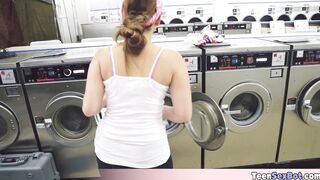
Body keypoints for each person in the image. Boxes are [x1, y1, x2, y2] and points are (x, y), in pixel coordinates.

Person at [82, 0, 192, 169]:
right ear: (158, 19)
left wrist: (115, 98)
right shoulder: (172, 59)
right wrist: (153, 108)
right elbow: (183, 115)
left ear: (123, 14)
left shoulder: (102, 56)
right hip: (151, 154)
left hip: (110, 151)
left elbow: (90, 109)